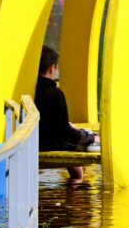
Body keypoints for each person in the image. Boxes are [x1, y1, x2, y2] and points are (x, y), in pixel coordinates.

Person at [35, 45, 98, 182]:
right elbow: (63, 131)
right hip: (51, 144)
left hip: (34, 142)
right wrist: (90, 137)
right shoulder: (55, 94)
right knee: (79, 170)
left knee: (75, 134)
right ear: (52, 68)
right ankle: (75, 189)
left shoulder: (30, 90)